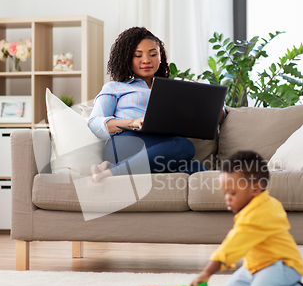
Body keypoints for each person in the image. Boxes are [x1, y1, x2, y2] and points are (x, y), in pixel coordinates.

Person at [87, 26, 225, 182]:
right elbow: (93, 123)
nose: (146, 60)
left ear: (161, 56)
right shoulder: (115, 87)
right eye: (138, 55)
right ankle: (111, 173)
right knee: (184, 146)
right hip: (125, 142)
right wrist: (132, 122)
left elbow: (212, 113)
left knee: (198, 171)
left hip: (162, 147)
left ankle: (112, 169)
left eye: (153, 54)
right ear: (126, 58)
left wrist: (216, 113)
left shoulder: (174, 89)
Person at [190, 150, 303, 286]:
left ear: (255, 189)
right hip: (257, 265)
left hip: (284, 265)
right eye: (225, 193)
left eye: (233, 193)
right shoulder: (255, 208)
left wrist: (207, 273)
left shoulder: (260, 214)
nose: (227, 198)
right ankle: (264, 281)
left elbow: (231, 247)